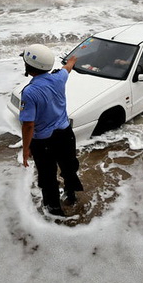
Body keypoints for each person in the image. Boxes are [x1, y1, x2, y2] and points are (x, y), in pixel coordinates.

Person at [19, 44, 84, 217]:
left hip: (44, 143)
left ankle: (55, 209)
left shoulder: (29, 92)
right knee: (69, 167)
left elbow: (28, 125)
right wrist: (72, 60)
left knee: (47, 177)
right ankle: (71, 194)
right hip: (66, 136)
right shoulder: (59, 78)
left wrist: (26, 149)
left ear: (28, 67)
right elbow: (67, 68)